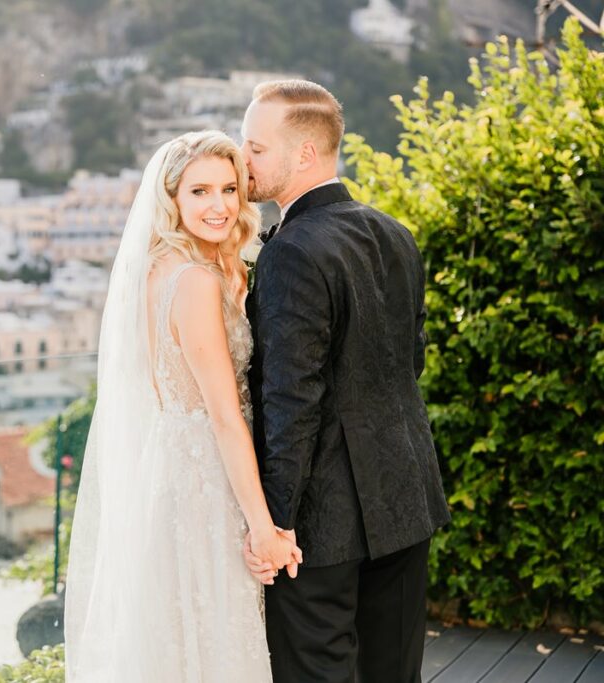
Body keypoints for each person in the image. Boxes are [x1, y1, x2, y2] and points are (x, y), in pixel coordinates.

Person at [65, 130, 298, 682]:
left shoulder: (159, 269)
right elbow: (223, 414)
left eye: (229, 189)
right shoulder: (193, 281)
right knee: (212, 637)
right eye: (199, 192)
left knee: (177, 640)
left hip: (167, 469)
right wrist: (264, 528)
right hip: (205, 479)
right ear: (172, 199)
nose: (218, 205)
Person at [240, 79, 451, 683]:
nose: (243, 159)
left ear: (304, 154)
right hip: (407, 501)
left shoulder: (292, 251)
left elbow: (291, 401)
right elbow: (409, 362)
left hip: (321, 525)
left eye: (256, 147)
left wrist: (275, 525)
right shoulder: (394, 233)